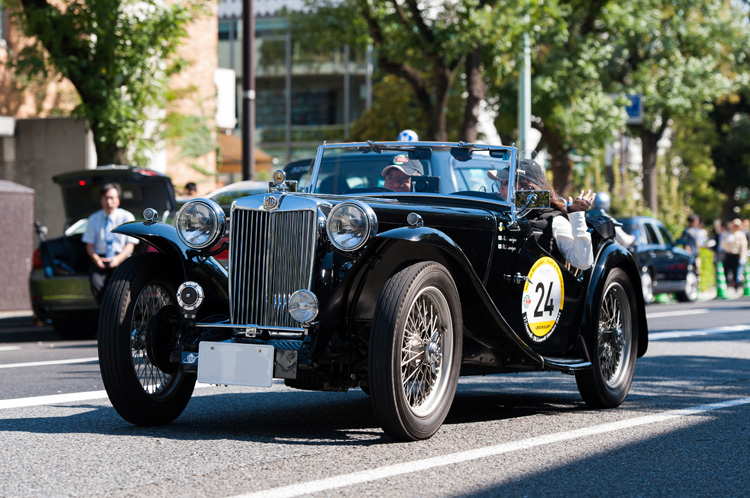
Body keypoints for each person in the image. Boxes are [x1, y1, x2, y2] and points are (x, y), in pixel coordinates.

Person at [516, 159, 596, 271]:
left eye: (505, 183)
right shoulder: (507, 216)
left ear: (527, 187)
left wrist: (577, 216)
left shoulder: (555, 221)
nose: (500, 188)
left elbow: (583, 262)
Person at [82, 183, 138, 304]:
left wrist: (117, 259)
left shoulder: (127, 217)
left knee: (119, 288)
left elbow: (130, 245)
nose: (109, 202)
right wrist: (97, 259)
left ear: (118, 200)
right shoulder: (93, 219)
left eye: (112, 198)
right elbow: (89, 245)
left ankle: (118, 311)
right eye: (105, 198)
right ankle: (105, 311)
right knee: (96, 283)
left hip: (121, 258)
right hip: (100, 260)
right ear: (101, 200)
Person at [721, 218, 748, 291]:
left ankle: (736, 286)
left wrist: (743, 256)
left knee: (736, 271)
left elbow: (743, 246)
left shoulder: (741, 234)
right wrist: (727, 242)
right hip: (728, 254)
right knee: (726, 270)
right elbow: (722, 245)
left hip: (736, 255)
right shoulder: (728, 234)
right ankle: (726, 285)